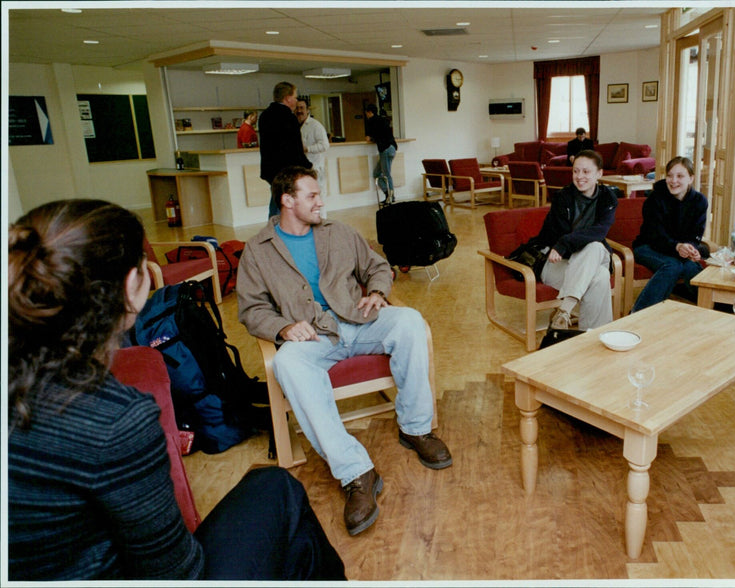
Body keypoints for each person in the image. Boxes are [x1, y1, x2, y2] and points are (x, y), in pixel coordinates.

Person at [7, 199, 345, 581]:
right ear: (134, 286)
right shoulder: (118, 419)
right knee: (276, 487)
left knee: (292, 541)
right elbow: (175, 572)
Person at [237, 166, 452, 537]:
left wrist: (378, 292)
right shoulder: (258, 251)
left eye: (320, 195)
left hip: (361, 318)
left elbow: (378, 267)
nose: (321, 202)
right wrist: (283, 328)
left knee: (411, 322)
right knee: (286, 362)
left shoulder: (340, 232)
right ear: (287, 201)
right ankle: (356, 471)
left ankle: (416, 429)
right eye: (312, 196)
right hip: (314, 337)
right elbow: (251, 308)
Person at [535, 150, 618, 330]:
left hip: (590, 258)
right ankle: (593, 335)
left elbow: (599, 231)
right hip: (557, 264)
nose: (579, 176)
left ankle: (564, 310)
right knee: (601, 276)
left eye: (586, 172)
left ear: (599, 173)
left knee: (595, 246)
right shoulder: (562, 198)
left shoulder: (608, 198)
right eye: (575, 171)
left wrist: (565, 243)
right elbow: (556, 235)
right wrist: (564, 243)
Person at [630, 156, 708, 312]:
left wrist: (691, 248)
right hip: (647, 247)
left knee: (691, 268)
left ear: (691, 178)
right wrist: (677, 246)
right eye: (670, 175)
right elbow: (654, 235)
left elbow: (695, 235)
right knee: (672, 266)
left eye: (680, 176)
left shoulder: (700, 201)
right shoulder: (655, 198)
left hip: (676, 250)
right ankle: (638, 315)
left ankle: (715, 314)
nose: (673, 181)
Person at [259, 81, 312, 218]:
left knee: (277, 200)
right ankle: (276, 233)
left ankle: (274, 230)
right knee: (282, 204)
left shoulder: (264, 116)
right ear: (287, 98)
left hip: (270, 169)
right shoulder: (288, 117)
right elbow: (295, 147)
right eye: (294, 97)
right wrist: (306, 167)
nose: (296, 100)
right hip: (286, 170)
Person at [296, 97, 331, 218]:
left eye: (302, 108)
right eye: (297, 108)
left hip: (316, 169)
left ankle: (322, 225)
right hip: (302, 170)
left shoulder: (315, 126)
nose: (299, 111)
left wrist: (308, 149)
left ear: (307, 110)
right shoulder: (295, 125)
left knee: (318, 199)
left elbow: (325, 145)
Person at [364, 103, 397, 204]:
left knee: (386, 175)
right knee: (377, 173)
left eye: (366, 113)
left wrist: (371, 137)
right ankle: (388, 194)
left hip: (385, 149)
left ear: (369, 112)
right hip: (392, 148)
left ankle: (391, 197)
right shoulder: (383, 119)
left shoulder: (371, 121)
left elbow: (368, 138)